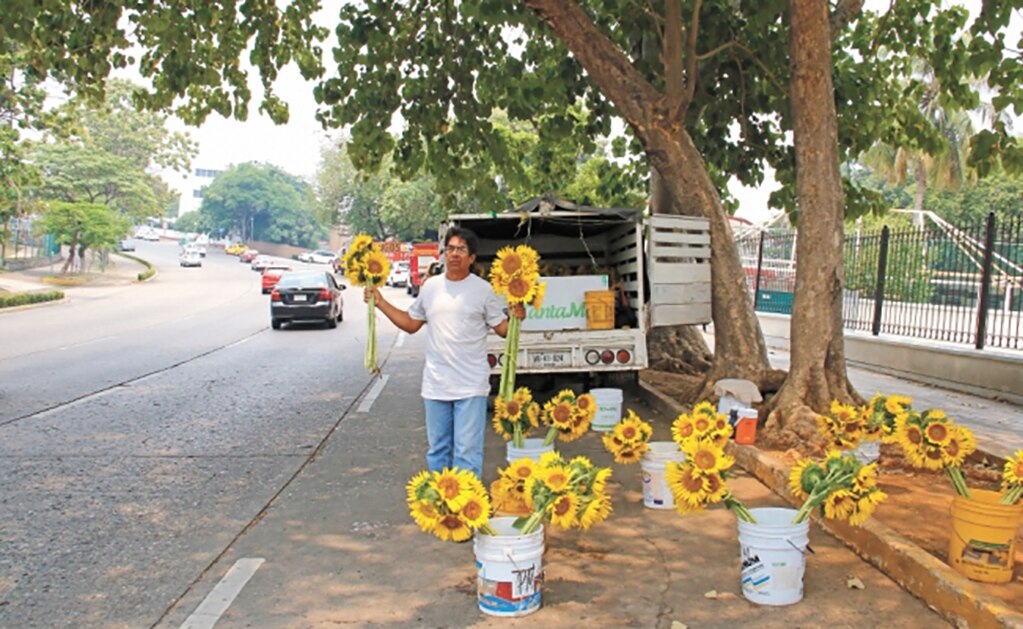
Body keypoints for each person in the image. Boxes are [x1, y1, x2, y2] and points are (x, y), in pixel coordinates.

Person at [365, 227, 525, 479]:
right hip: (436, 384)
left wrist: (516, 317)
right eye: (450, 249)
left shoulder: (483, 290)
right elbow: (411, 323)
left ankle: (467, 510)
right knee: (438, 451)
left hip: (471, 384)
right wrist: (381, 302)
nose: (454, 254)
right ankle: (442, 508)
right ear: (443, 254)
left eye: (461, 249)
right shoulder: (431, 288)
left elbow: (503, 329)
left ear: (472, 258)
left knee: (467, 452)